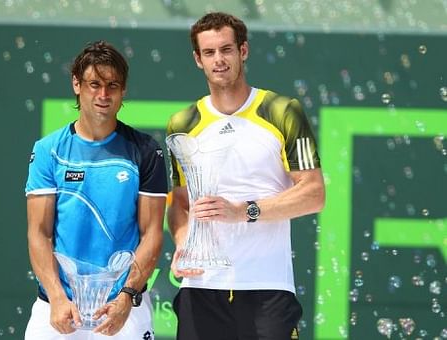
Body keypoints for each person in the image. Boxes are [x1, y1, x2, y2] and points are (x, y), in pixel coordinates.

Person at [166, 12, 325, 340]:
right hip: (201, 286)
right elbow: (180, 202)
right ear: (198, 59)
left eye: (226, 49)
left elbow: (313, 193)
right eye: (209, 53)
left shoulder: (283, 111)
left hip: (267, 287)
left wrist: (242, 211)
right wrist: (183, 242)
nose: (219, 60)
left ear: (244, 51)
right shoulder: (182, 123)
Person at [24, 40, 168, 340]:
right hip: (58, 308)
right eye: (94, 84)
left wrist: (126, 297)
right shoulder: (49, 150)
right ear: (77, 84)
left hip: (123, 309)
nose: (103, 95)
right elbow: (39, 232)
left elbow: (152, 233)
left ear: (123, 89)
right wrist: (57, 296)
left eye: (112, 85)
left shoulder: (145, 151)